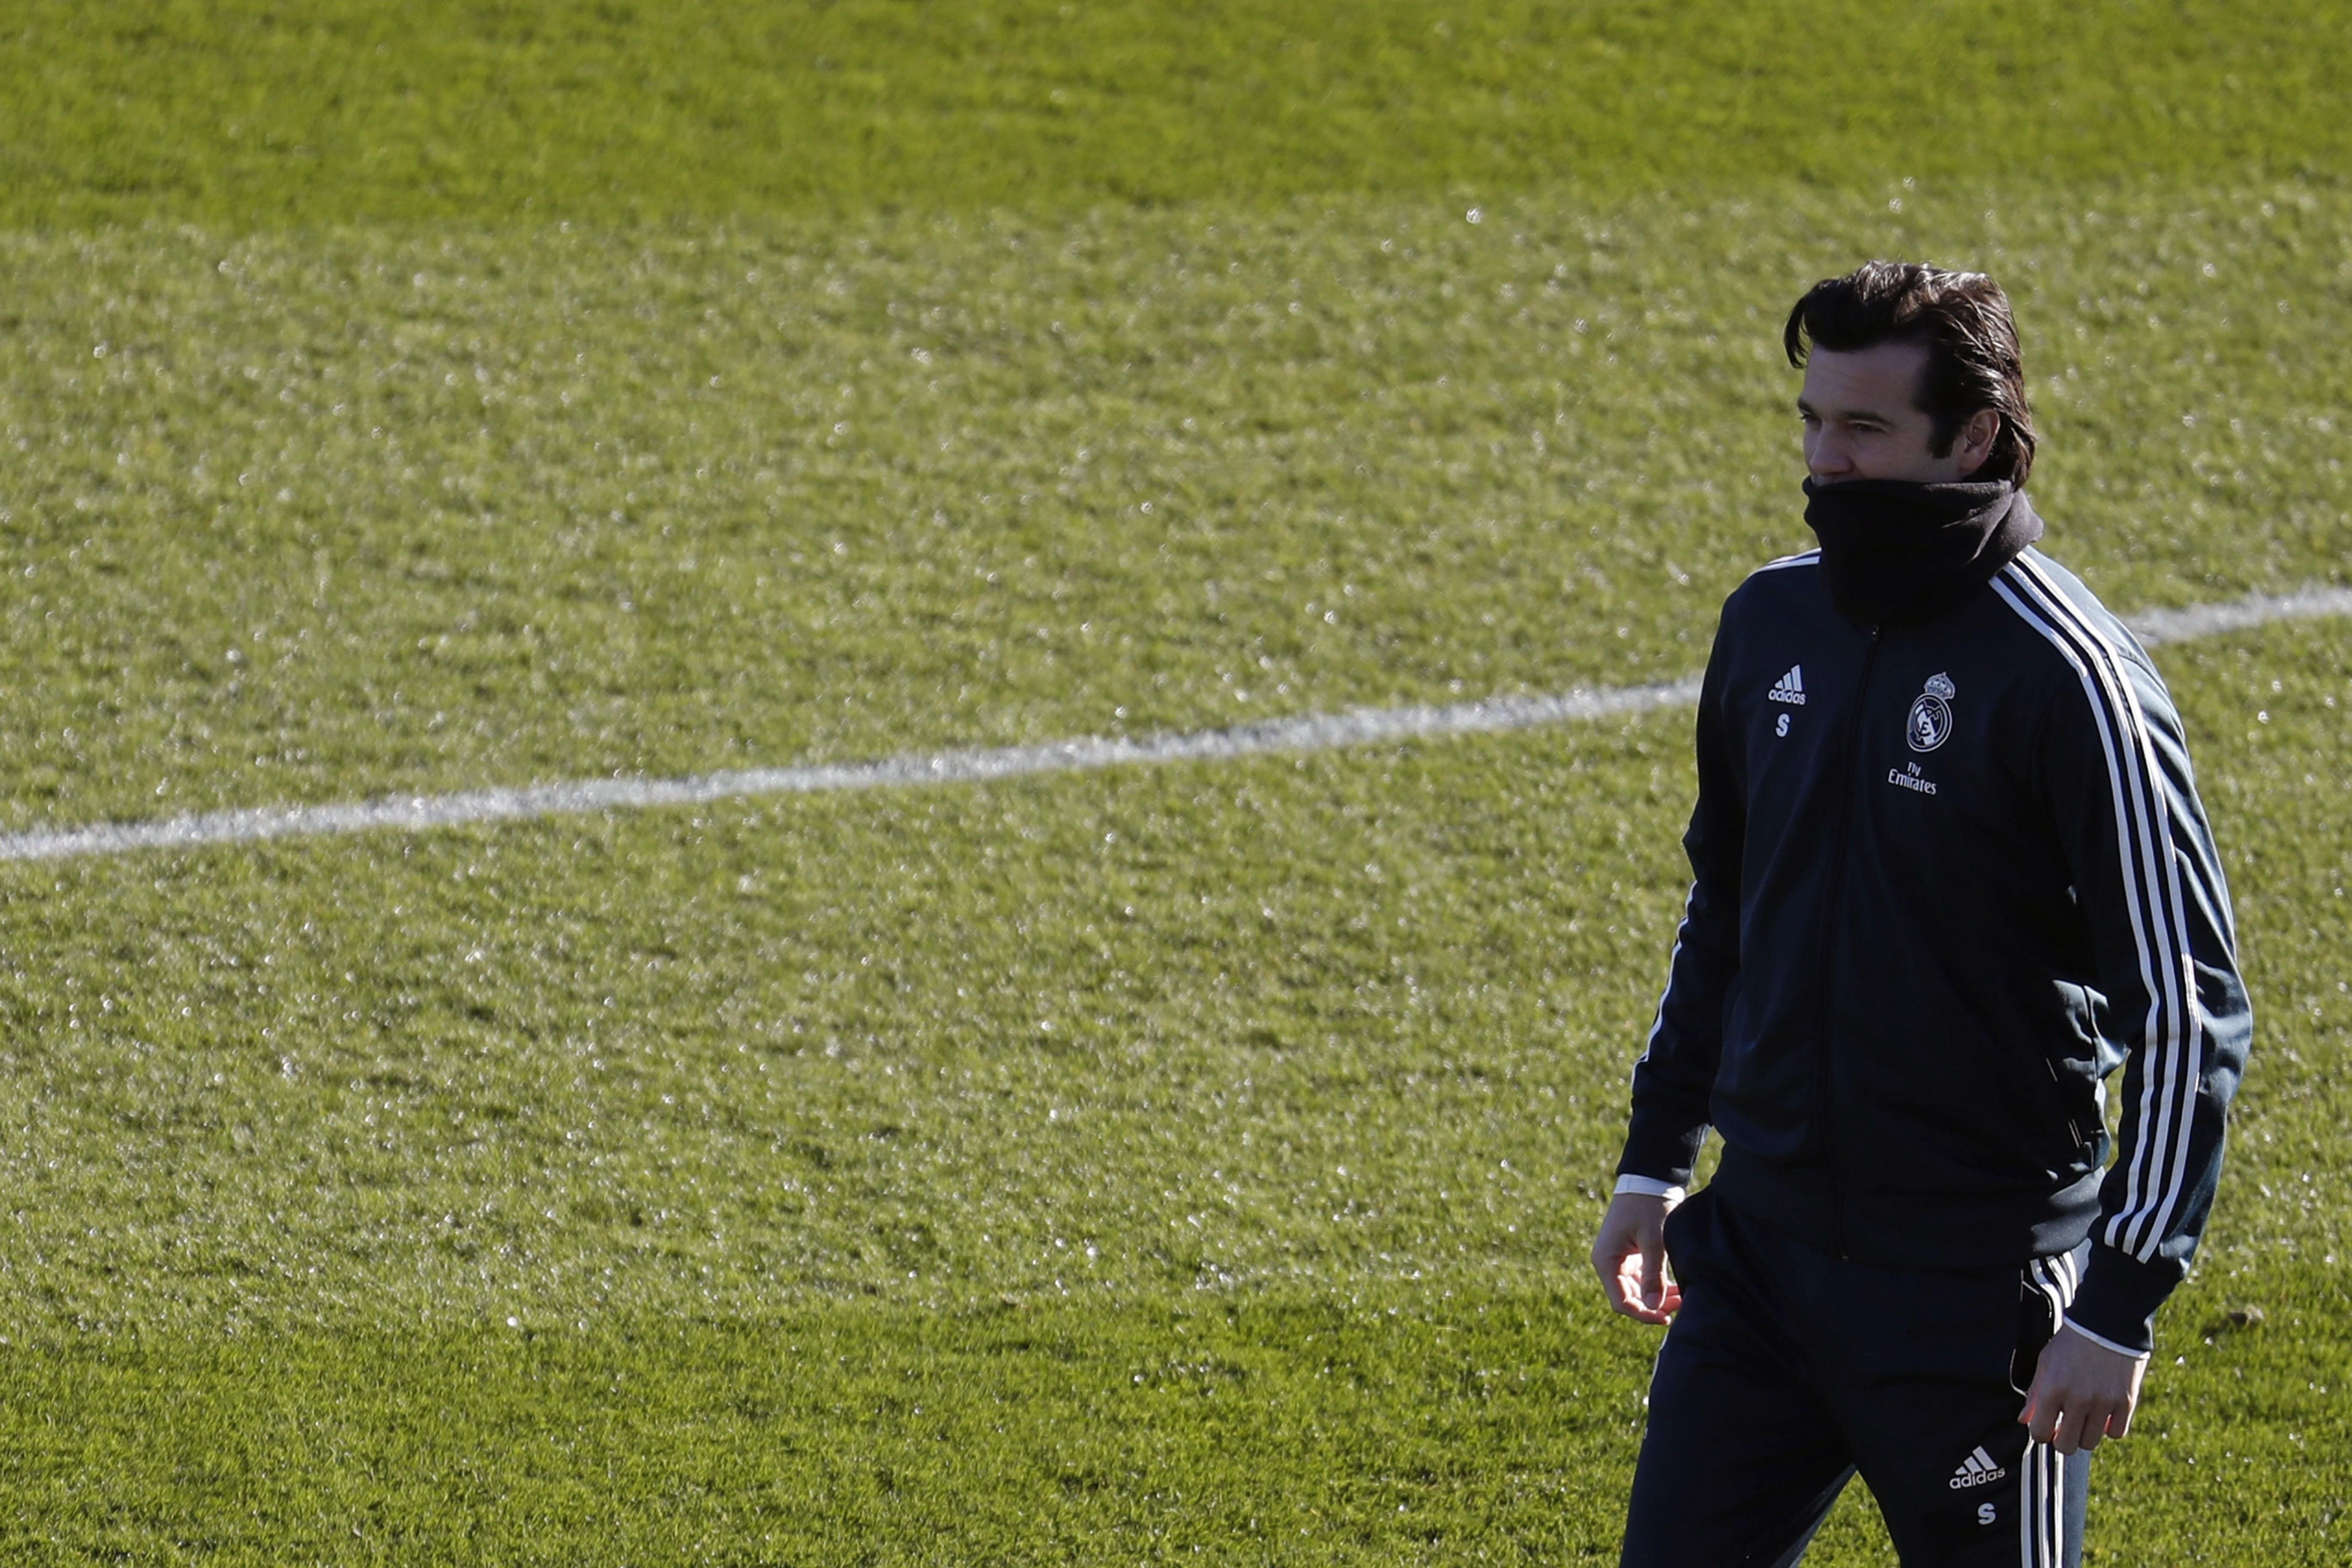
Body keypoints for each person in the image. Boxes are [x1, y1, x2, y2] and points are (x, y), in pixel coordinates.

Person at [1590, 260, 2251, 1568]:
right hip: (1760, 1260)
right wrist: (1655, 1159)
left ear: (1976, 437)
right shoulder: (1770, 620)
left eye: (1865, 428)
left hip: (1973, 1297)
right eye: (1812, 421)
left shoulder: (2071, 679)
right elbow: (1728, 909)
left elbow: (2189, 1009)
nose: (1823, 461)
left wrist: (2117, 1305)